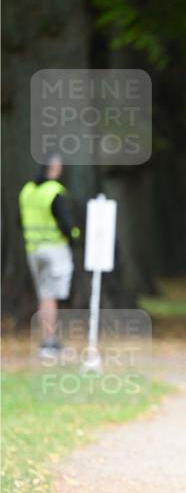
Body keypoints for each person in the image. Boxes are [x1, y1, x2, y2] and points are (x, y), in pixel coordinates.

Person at [19, 153, 80, 357]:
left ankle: (47, 339)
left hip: (33, 251)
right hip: (54, 250)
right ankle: (49, 342)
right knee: (52, 296)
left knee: (44, 296)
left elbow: (20, 221)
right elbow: (65, 223)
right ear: (54, 168)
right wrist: (74, 238)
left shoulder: (27, 191)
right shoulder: (53, 191)